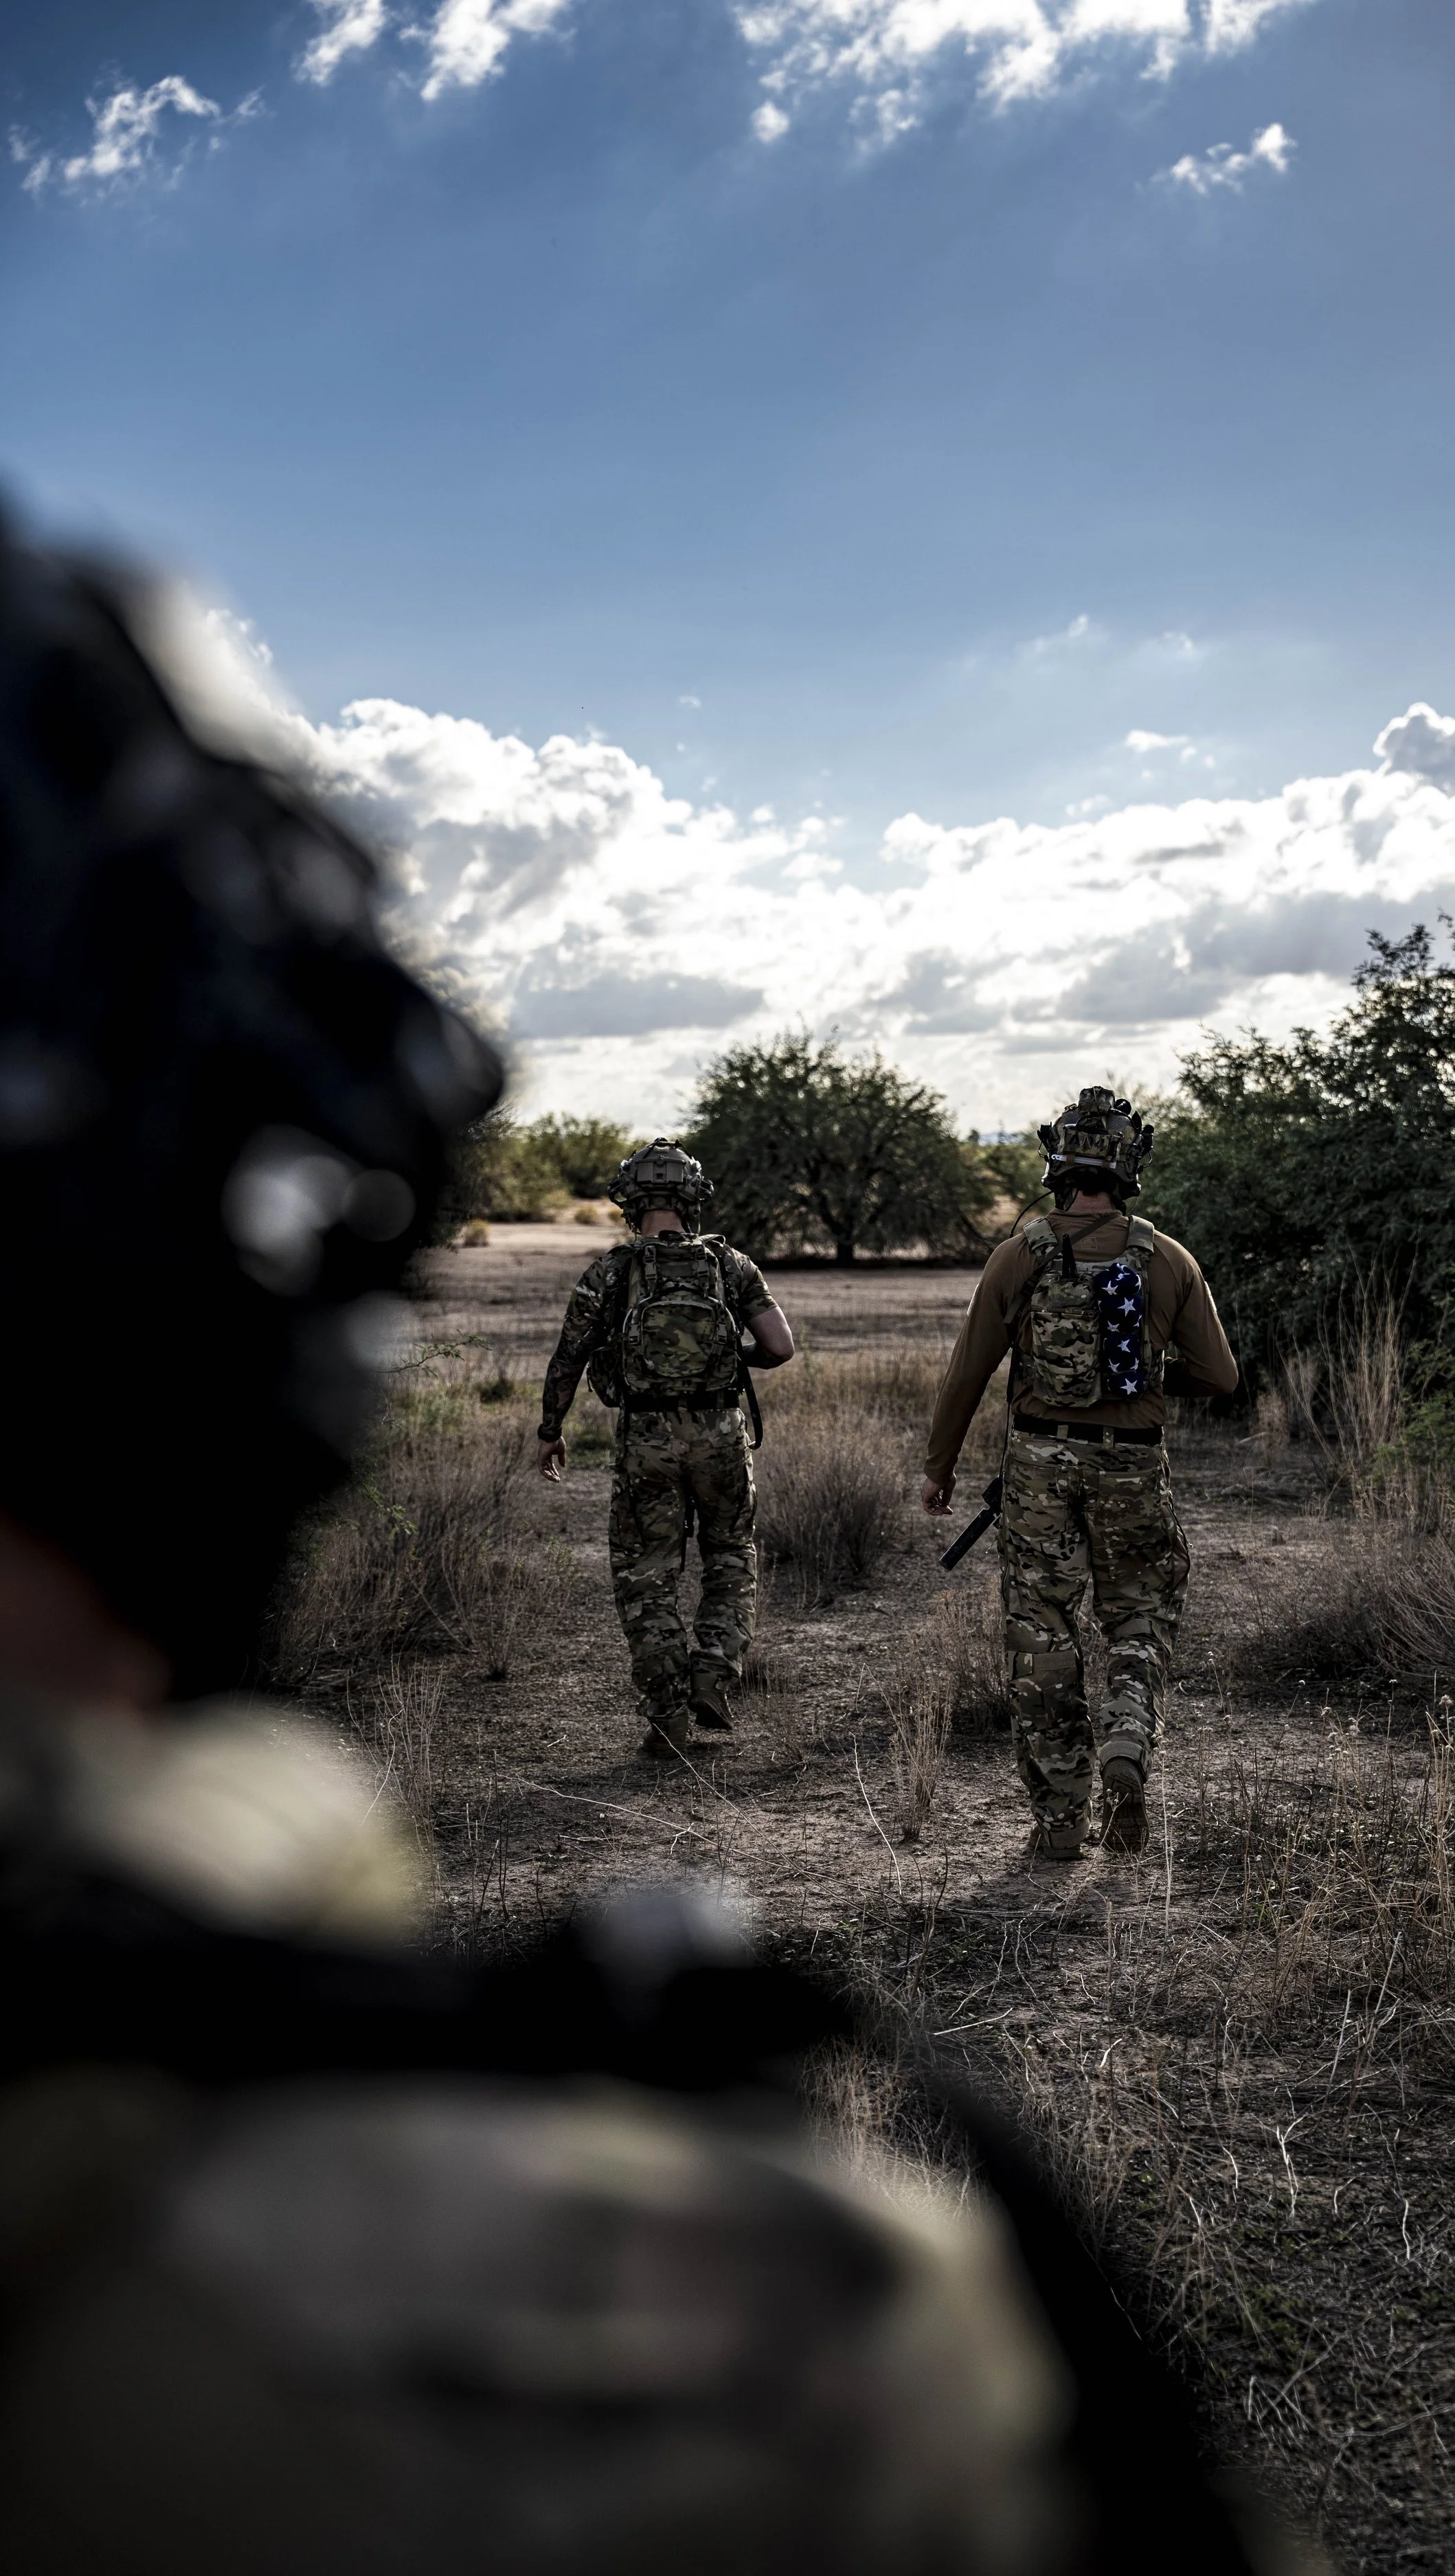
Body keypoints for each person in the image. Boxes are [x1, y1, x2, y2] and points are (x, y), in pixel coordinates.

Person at [0, 512, 1212, 2576]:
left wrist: (726, 1441)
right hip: (904, 1453)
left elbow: (832, 1372)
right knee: (1023, 1621)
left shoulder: (973, 1256)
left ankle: (746, 1727)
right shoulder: (763, 2367)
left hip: (717, 1445)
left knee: (764, 1601)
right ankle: (1073, 1790)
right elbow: (1146, 1357)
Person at [921, 1087, 1239, 1858]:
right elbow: (1221, 1377)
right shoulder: (1168, 1258)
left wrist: (939, 1468)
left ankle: (1059, 1822)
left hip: (1036, 1461)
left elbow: (967, 1374)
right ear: (1131, 1167)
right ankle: (1127, 1732)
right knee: (1138, 1613)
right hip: (1134, 1464)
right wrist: (1149, 1384)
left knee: (1042, 1632)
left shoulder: (1018, 1255)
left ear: (1056, 1162)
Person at [537, 1139, 795, 1758]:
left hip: (646, 1440)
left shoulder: (610, 1271)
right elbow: (781, 1347)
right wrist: (738, 1357)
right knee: (731, 1557)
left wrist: (551, 1430)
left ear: (630, 1200)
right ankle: (712, 1675)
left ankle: (668, 1718)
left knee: (646, 1578)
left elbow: (569, 1357)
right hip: (720, 1435)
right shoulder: (731, 1265)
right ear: (693, 1198)